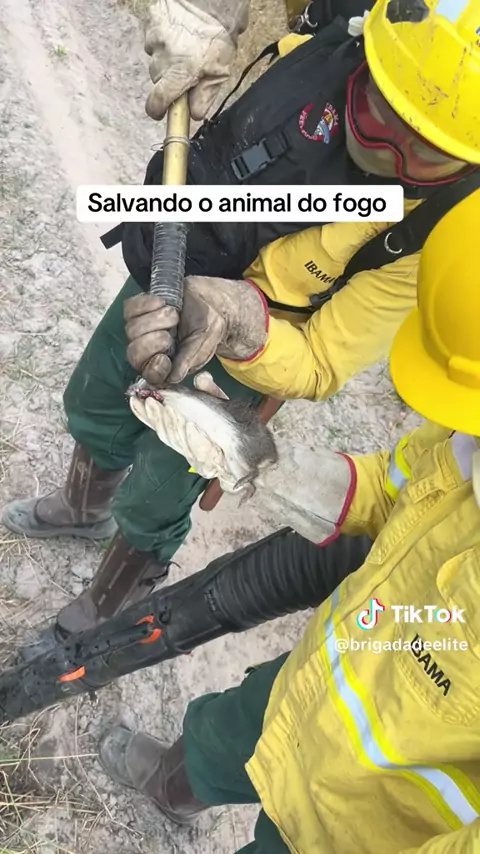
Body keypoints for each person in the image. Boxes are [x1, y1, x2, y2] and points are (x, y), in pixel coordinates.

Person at [2, 0, 479, 647]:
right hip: (177, 258)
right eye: (379, 110)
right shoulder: (362, 17)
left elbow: (324, 361)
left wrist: (243, 323)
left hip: (248, 357)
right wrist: (196, 13)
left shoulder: (442, 232)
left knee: (160, 489)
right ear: (368, 52)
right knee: (96, 400)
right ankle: (84, 509)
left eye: (425, 150)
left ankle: (113, 597)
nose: (388, 145)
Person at [98, 187, 480, 854]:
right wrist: (258, 461)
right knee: (231, 730)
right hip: (326, 673)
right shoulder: (466, 435)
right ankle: (173, 785)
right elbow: (397, 488)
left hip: (350, 833)